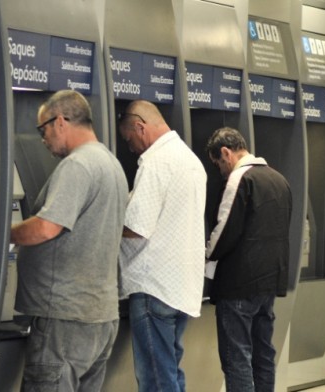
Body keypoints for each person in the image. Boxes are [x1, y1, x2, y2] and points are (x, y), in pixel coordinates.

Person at [10, 90, 129, 392]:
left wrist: (2, 235)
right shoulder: (110, 163)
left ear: (60, 121)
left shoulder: (78, 165)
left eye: (43, 129)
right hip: (98, 316)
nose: (43, 138)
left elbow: (47, 227)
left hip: (65, 319)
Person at [117, 100, 207, 392]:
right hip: (181, 288)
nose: (130, 148)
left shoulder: (156, 162)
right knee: (170, 373)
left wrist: (103, 223)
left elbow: (136, 227)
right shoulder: (190, 160)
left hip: (154, 287)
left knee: (156, 379)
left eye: (129, 139)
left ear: (140, 127)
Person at [204, 127, 292, 392]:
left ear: (226, 153)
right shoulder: (279, 179)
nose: (220, 170)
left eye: (218, 163)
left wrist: (205, 253)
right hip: (269, 282)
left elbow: (224, 230)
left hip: (239, 284)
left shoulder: (239, 178)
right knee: (263, 354)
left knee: (237, 357)